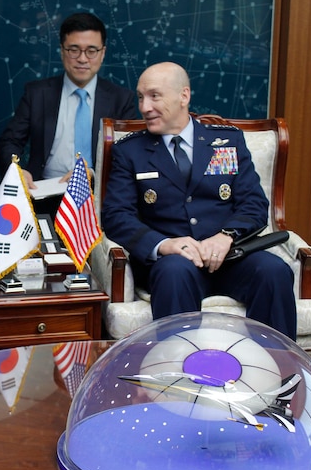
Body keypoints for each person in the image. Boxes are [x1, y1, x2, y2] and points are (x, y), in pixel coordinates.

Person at [101, 62, 297, 340]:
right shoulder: (130, 152)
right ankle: (179, 372)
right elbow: (116, 216)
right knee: (173, 274)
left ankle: (279, 369)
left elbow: (253, 203)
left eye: (155, 96)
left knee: (274, 271)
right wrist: (165, 245)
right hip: (173, 263)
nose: (144, 107)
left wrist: (226, 236)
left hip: (230, 256)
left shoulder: (226, 143)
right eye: (141, 97)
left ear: (183, 96)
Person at [0, 12, 138, 191]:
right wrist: (15, 171)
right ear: (62, 51)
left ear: (103, 53)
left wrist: (93, 174)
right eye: (74, 49)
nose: (82, 59)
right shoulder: (37, 93)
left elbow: (129, 155)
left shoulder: (120, 99)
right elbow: (9, 142)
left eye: (91, 51)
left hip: (99, 196)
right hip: (44, 192)